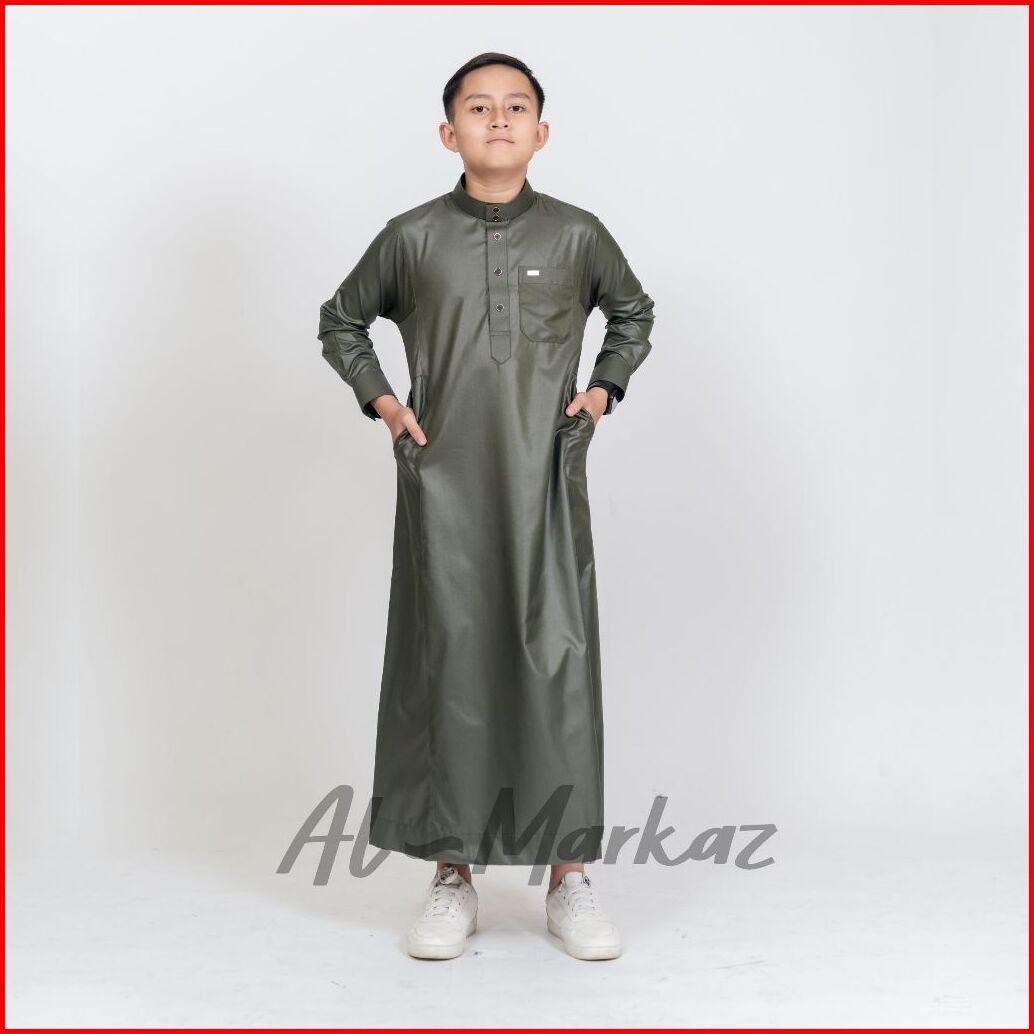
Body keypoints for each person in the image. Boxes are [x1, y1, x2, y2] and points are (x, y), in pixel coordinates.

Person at [317, 52, 655, 961]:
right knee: (451, 664)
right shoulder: (413, 238)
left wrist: (601, 392)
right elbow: (341, 320)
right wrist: (387, 405)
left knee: (558, 663)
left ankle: (568, 876)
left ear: (541, 131)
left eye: (515, 107)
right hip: (448, 488)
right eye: (478, 107)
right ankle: (452, 874)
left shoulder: (578, 235)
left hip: (545, 479)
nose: (497, 120)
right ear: (448, 132)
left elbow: (632, 313)